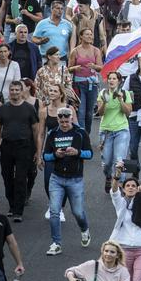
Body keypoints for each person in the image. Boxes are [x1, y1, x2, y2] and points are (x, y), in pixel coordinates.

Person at [42, 105, 92, 255]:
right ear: (58, 119)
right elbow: (46, 156)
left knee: (77, 212)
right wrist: (56, 155)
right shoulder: (52, 134)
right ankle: (56, 243)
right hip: (56, 178)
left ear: (71, 119)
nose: (64, 124)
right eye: (61, 121)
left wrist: (77, 152)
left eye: (66, 121)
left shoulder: (80, 133)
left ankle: (84, 229)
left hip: (75, 179)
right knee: (54, 211)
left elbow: (90, 154)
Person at [0, 79, 40, 221]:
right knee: (7, 177)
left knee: (20, 178)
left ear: (21, 91)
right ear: (9, 91)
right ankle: (12, 205)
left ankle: (18, 211)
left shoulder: (29, 108)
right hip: (7, 146)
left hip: (24, 146)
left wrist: (38, 151)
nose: (14, 92)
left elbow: (36, 131)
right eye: (12, 90)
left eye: (17, 90)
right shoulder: (4, 108)